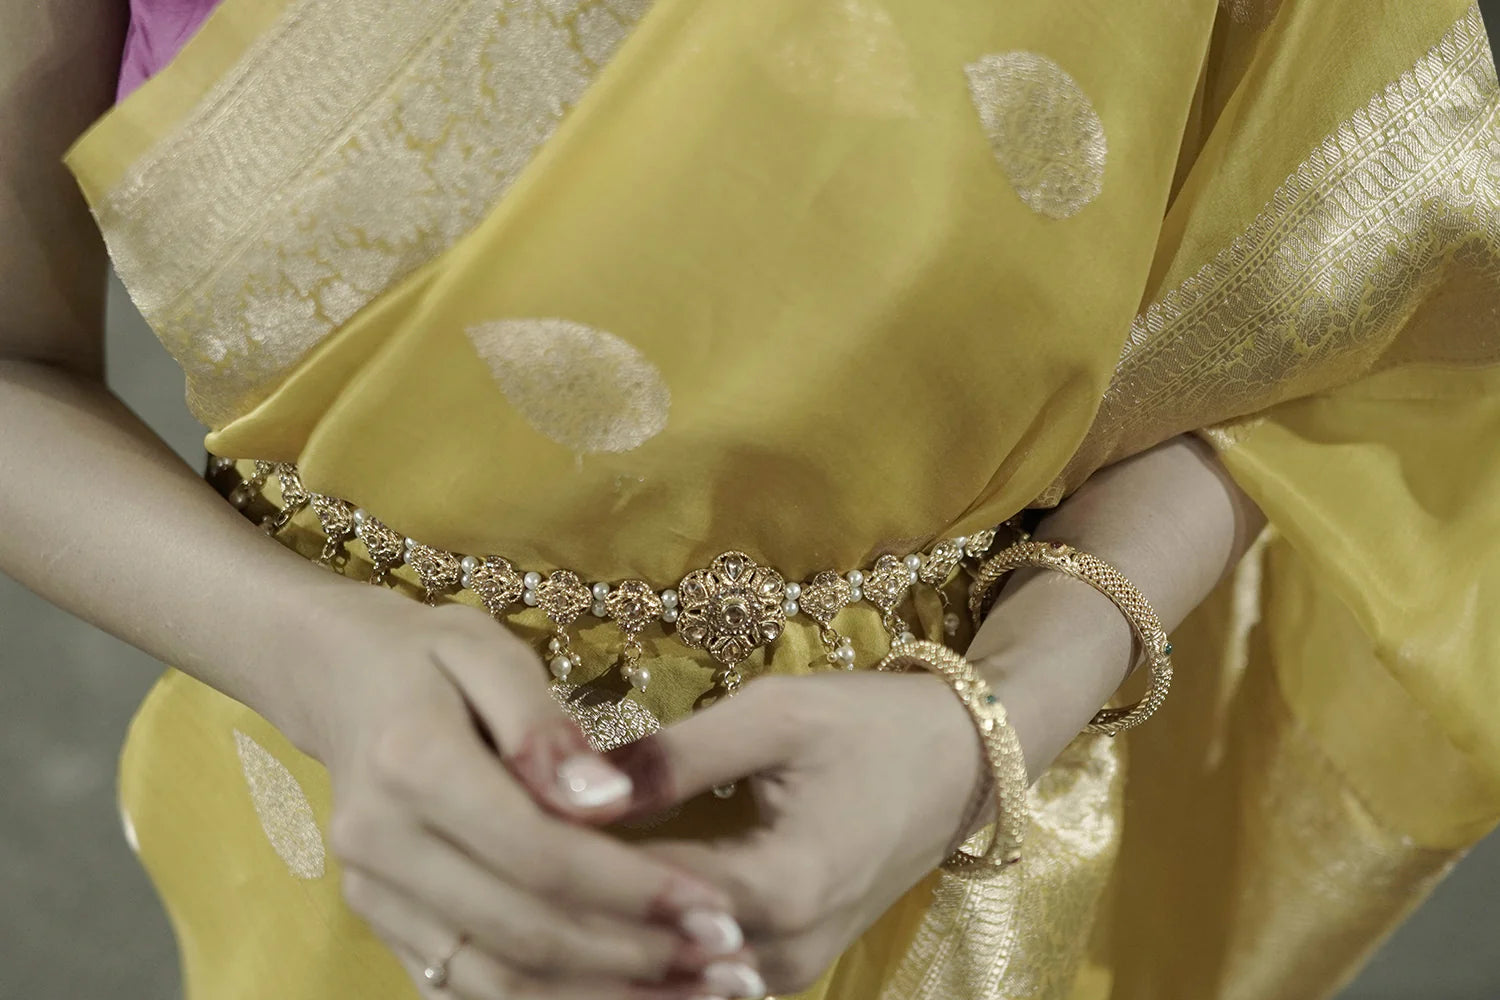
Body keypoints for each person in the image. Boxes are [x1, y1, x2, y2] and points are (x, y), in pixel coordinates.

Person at [3, 1, 1497, 998]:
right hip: (397, 842)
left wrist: (988, 722)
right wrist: (308, 651)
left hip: (952, 848)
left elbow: (1317, 303)